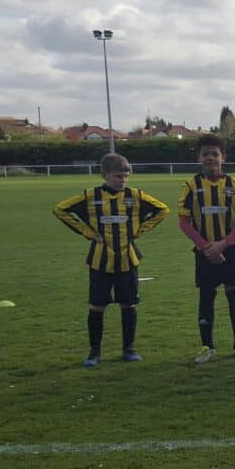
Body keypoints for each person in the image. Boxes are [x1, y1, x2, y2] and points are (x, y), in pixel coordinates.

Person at [53, 153, 168, 367]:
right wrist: (87, 232)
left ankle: (129, 349)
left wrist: (141, 229)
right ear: (104, 175)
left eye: (126, 176)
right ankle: (94, 352)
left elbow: (163, 210)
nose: (122, 180)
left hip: (128, 258)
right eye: (118, 176)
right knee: (97, 306)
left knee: (129, 304)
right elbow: (60, 209)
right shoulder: (90, 196)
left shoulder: (135, 195)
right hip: (99, 260)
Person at [179, 134, 235, 363]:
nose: (210, 158)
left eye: (215, 154)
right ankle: (207, 346)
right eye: (205, 154)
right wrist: (205, 247)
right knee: (207, 297)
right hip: (204, 253)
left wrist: (222, 243)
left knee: (234, 295)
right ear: (198, 157)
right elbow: (184, 222)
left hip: (230, 250)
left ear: (223, 157)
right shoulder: (191, 186)